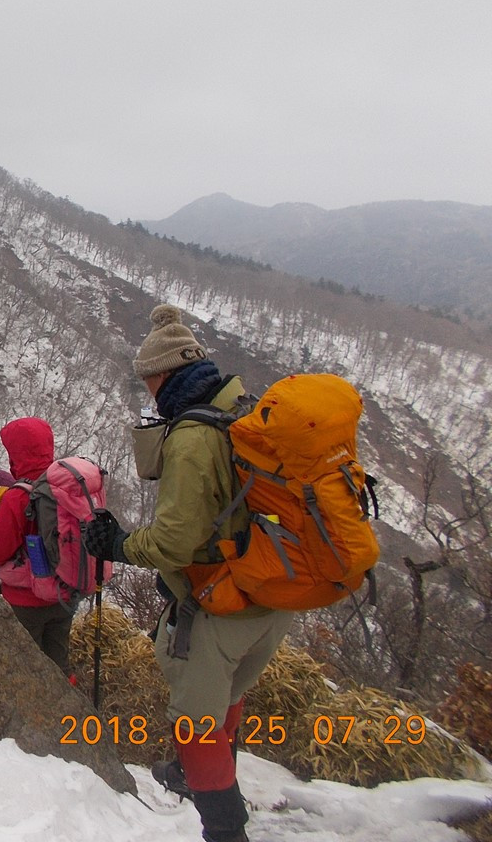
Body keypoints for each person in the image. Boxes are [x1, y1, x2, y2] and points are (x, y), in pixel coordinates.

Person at [82, 304, 294, 842]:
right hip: (270, 593)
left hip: (223, 609)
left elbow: (174, 540)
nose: (149, 394)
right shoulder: (241, 408)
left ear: (161, 376)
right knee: (224, 702)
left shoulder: (193, 437)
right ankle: (198, 775)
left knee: (196, 722)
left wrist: (121, 544)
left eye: (148, 382)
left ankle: (225, 828)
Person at [0, 417, 75, 674]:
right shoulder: (67, 486)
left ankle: (36, 712)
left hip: (27, 599)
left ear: (17, 453)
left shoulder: (17, 497)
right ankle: (69, 709)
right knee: (58, 662)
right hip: (65, 593)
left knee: (26, 670)